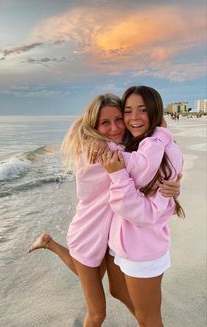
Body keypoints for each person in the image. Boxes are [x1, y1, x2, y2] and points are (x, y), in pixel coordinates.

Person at [29, 91, 182, 327]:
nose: (114, 127)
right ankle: (49, 243)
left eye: (118, 119)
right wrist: (161, 131)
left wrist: (174, 185)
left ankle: (48, 242)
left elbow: (147, 176)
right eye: (105, 122)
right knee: (97, 312)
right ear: (93, 126)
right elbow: (144, 168)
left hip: (111, 235)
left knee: (108, 285)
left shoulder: (123, 146)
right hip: (89, 232)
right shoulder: (101, 150)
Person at [99, 86, 184, 327]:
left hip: (143, 250)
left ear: (155, 111)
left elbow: (146, 213)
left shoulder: (165, 152)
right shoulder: (139, 143)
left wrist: (117, 176)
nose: (133, 117)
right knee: (117, 291)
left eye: (142, 110)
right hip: (123, 244)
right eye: (128, 111)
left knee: (149, 319)